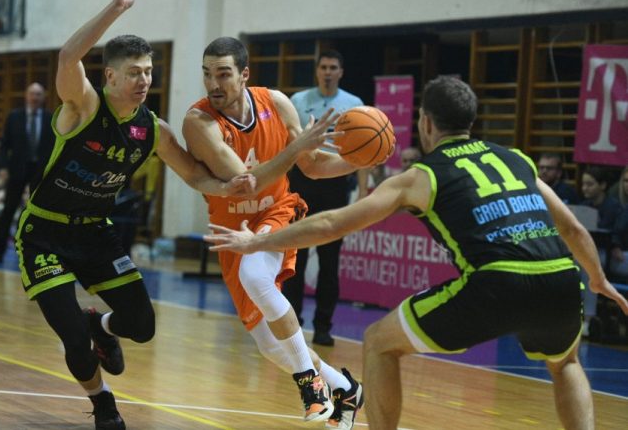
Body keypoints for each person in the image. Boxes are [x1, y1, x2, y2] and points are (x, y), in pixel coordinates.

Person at [205, 76, 628, 430]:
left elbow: (333, 223)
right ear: (471, 120)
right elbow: (572, 228)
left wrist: (256, 242)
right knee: (566, 364)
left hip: (497, 282)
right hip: (561, 278)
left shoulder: (422, 175)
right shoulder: (516, 159)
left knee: (378, 343)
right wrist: (598, 278)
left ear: (425, 122)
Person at [15, 0, 255, 429]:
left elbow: (193, 175)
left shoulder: (153, 129)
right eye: (133, 73)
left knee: (142, 325)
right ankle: (103, 402)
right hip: (45, 233)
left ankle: (101, 326)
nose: (144, 80)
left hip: (95, 233)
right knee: (73, 340)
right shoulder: (83, 107)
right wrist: (115, 8)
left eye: (148, 71)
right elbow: (68, 57)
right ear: (110, 77)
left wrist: (228, 188)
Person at [182, 36, 364, 428]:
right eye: (207, 74)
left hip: (278, 212)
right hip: (232, 230)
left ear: (244, 74)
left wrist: (359, 159)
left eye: (223, 74)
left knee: (254, 274)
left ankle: (311, 385)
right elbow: (246, 183)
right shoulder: (198, 122)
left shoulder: (276, 103)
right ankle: (345, 388)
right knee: (268, 344)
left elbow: (311, 165)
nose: (213, 84)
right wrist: (297, 147)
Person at [283, 49, 364, 347]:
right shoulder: (298, 101)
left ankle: (323, 327)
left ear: (340, 72)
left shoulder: (354, 105)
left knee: (330, 262)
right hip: (301, 182)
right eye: (324, 67)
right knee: (295, 258)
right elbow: (287, 145)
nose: (328, 72)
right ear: (317, 71)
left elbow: (362, 150)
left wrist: (363, 189)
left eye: (333, 67)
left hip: (336, 183)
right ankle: (293, 325)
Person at [0, 83, 54, 263]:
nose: (35, 97)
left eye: (38, 94)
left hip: (40, 173)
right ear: (26, 95)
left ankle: (36, 255)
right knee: (8, 211)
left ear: (43, 97)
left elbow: (55, 147)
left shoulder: (50, 118)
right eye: (32, 94)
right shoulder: (14, 117)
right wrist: (3, 167)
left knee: (39, 214)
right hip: (17, 171)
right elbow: (4, 145)